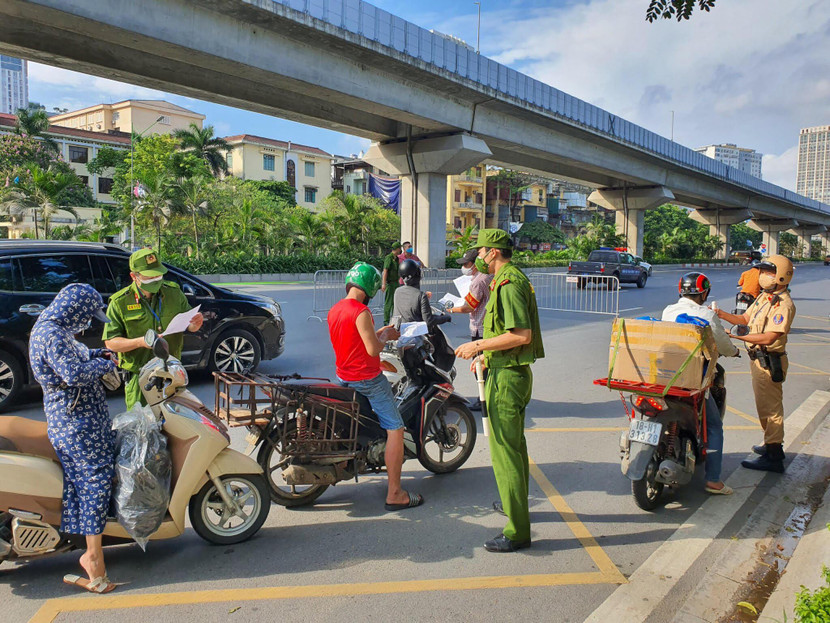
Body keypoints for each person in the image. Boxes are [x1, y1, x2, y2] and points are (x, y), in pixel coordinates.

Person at [455, 229, 544, 553]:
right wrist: (484, 354)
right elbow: (505, 335)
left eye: (480, 249)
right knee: (514, 451)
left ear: (493, 252)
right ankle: (513, 505)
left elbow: (520, 335)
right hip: (505, 370)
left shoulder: (508, 283)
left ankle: (517, 531)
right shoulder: (506, 279)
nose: (476, 255)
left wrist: (477, 344)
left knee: (506, 454)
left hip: (507, 380)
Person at [28, 284, 120, 593]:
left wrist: (97, 353)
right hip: (77, 423)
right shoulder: (53, 335)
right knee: (95, 481)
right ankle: (93, 559)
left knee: (83, 485)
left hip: (78, 419)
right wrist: (106, 364)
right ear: (74, 310)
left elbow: (76, 358)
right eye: (87, 316)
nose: (89, 322)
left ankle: (90, 549)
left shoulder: (53, 328)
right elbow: (73, 374)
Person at [328, 262, 423, 511]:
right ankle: (395, 493)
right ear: (370, 288)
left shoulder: (335, 309)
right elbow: (372, 348)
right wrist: (386, 337)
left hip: (344, 376)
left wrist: (378, 333)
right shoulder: (360, 312)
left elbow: (354, 340)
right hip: (367, 379)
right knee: (396, 428)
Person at [716, 255, 796, 473]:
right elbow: (744, 320)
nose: (762, 276)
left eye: (767, 272)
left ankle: (774, 455)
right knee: (764, 407)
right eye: (762, 271)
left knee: (771, 410)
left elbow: (769, 337)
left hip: (769, 361)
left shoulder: (783, 304)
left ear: (781, 275)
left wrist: (735, 337)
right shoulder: (764, 297)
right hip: (758, 360)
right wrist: (719, 314)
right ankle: (770, 443)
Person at [661, 272, 739, 495]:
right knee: (714, 426)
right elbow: (723, 345)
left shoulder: (669, 310)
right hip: (692, 379)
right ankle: (713, 480)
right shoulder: (706, 314)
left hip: (665, 376)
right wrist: (734, 352)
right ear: (704, 293)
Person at [103, 249, 203, 409]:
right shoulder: (119, 302)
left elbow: (188, 323)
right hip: (140, 376)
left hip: (172, 371)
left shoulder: (173, 292)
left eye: (158, 275)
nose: (156, 280)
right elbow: (111, 343)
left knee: (175, 426)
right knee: (142, 428)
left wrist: (194, 325)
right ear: (134, 276)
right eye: (150, 277)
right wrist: (140, 342)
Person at [447, 248, 493, 411]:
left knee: (480, 369)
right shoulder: (487, 276)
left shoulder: (478, 281)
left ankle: (485, 401)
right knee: (486, 366)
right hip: (487, 326)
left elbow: (468, 307)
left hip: (480, 328)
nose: (464, 267)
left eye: (466, 263)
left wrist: (451, 309)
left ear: (475, 264)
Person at [393, 259, 451, 331]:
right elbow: (428, 320)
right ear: (417, 275)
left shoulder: (397, 291)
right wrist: (445, 318)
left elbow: (409, 302)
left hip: (397, 332)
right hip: (415, 334)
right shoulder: (420, 295)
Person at [381, 242, 403, 325]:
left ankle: (394, 319)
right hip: (389, 284)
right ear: (397, 249)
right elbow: (385, 271)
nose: (400, 250)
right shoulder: (389, 258)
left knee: (395, 302)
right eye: (399, 248)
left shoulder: (397, 258)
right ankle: (386, 321)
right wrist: (383, 284)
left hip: (395, 283)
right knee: (388, 302)